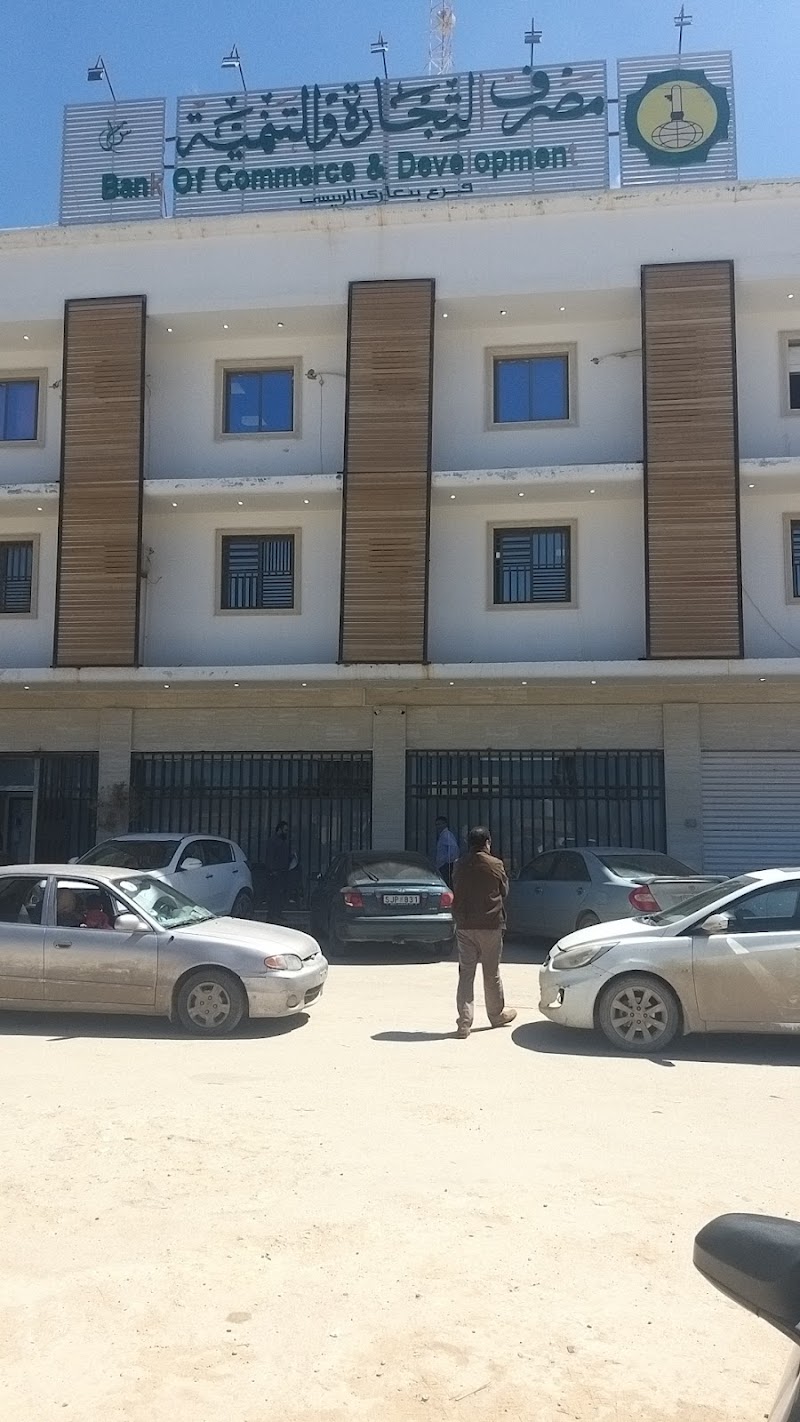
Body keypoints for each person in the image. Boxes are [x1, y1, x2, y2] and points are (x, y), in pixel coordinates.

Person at [452, 826, 517, 1040]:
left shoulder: (459, 864)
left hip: (465, 925)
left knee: (466, 973)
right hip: (490, 924)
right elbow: (504, 891)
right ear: (487, 842)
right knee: (491, 972)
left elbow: (457, 887)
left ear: (468, 843)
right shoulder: (495, 864)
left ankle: (464, 1023)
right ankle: (496, 1015)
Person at [264, 820, 291, 923]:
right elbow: (270, 857)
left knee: (280, 895)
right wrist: (272, 870)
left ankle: (278, 914)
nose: (286, 832)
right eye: (285, 830)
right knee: (273, 895)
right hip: (275, 873)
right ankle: (271, 915)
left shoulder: (282, 841)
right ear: (279, 829)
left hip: (282, 872)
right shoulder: (273, 841)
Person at [434, 816, 460, 888]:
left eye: (440, 824)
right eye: (437, 825)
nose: (438, 826)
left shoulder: (446, 835)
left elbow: (454, 849)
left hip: (445, 865)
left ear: (445, 824)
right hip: (442, 865)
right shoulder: (442, 835)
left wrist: (448, 862)